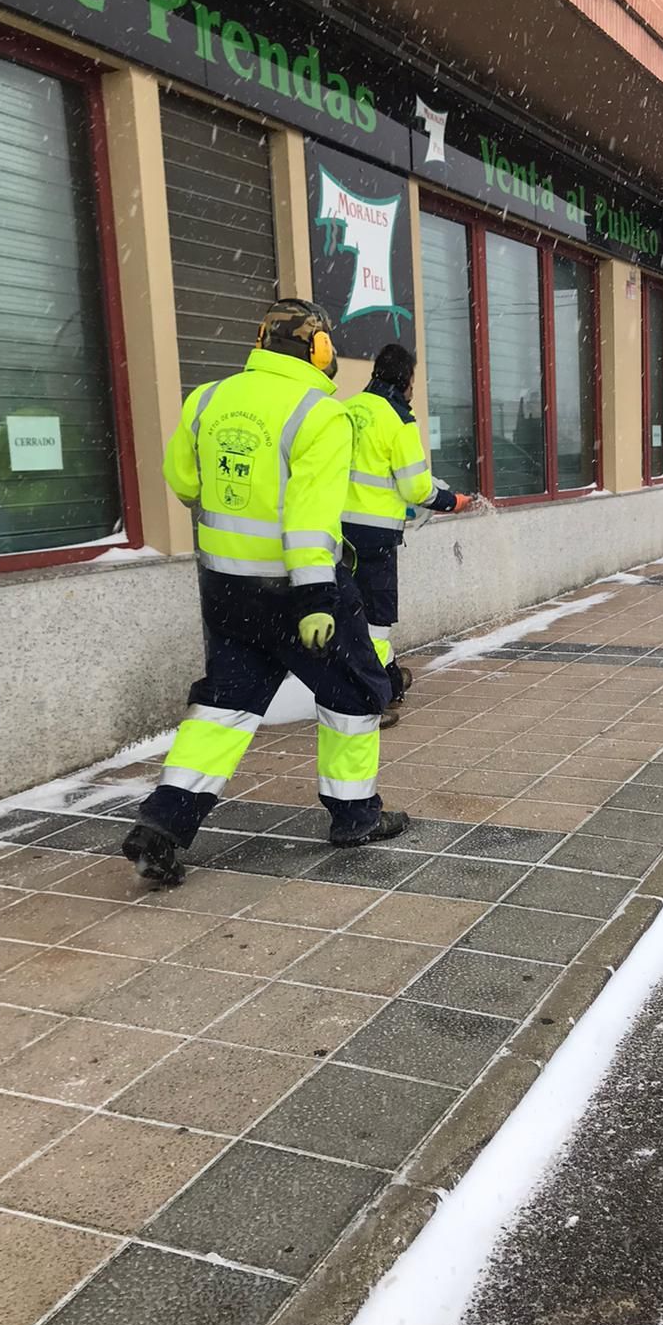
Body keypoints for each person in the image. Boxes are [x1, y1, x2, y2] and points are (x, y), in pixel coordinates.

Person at [122, 299, 405, 888]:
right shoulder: (319, 415)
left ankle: (165, 822)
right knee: (355, 692)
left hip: (225, 591)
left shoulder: (206, 399)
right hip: (297, 591)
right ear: (320, 350)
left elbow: (184, 481)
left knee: (225, 705)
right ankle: (355, 816)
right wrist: (314, 599)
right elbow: (309, 520)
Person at [343, 345, 474, 722]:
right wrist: (453, 501)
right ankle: (375, 694)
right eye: (414, 381)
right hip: (374, 539)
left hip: (336, 534)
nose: (414, 389)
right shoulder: (398, 421)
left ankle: (387, 680)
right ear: (404, 381)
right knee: (376, 621)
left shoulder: (347, 410)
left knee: (350, 611)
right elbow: (417, 489)